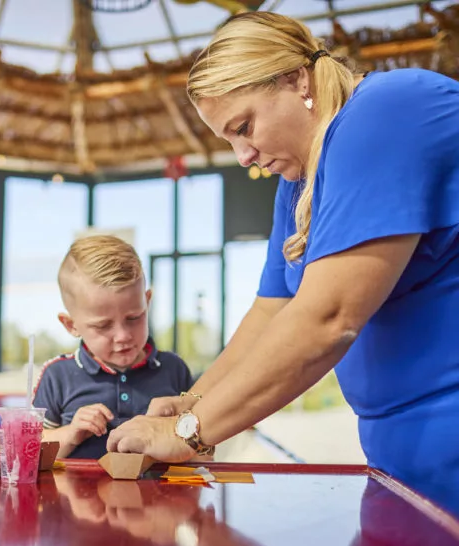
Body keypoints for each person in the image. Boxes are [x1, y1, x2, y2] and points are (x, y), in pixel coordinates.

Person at [106, 11, 459, 514]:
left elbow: (327, 319)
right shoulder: (298, 182)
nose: (243, 156)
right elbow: (273, 310)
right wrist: (194, 401)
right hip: (398, 472)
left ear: (296, 80)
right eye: (229, 140)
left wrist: (188, 433)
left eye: (244, 127)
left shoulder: (388, 112)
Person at [33, 234, 194, 459]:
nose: (123, 336)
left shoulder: (174, 369)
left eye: (134, 318)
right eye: (103, 325)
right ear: (71, 325)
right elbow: (29, 448)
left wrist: (175, 431)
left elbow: (204, 450)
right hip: (78, 494)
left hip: (161, 493)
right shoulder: (57, 375)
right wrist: (71, 433)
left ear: (147, 303)